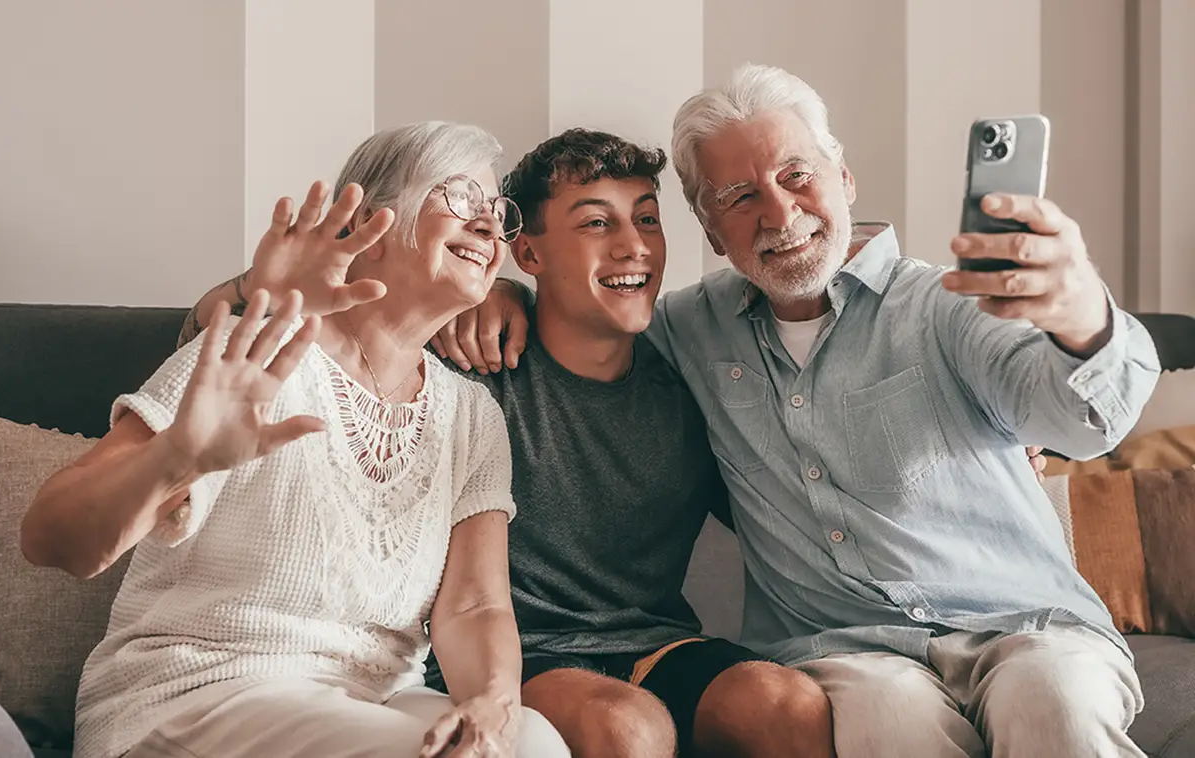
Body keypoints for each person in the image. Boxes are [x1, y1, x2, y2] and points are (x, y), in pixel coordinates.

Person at [447, 65, 1162, 758]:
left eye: (796, 176)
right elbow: (588, 320)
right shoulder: (688, 332)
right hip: (855, 654)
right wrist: (494, 294)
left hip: (1026, 627)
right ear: (710, 228)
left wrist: (1082, 316)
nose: (780, 213)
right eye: (740, 195)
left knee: (1053, 703)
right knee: (885, 720)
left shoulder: (948, 305)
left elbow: (1084, 421)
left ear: (842, 178)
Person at [181, 128, 836, 758]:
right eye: (596, 223)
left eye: (646, 219)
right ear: (528, 253)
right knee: (624, 729)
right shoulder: (466, 365)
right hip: (506, 658)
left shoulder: (692, 383)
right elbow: (215, 331)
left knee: (785, 707)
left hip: (653, 641)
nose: (634, 246)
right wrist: (483, 291)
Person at [20, 122, 570, 758]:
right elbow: (50, 539)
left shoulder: (472, 415)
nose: (486, 227)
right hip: (200, 692)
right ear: (370, 220)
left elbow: (475, 606)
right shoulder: (256, 354)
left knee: (532, 743)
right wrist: (174, 460)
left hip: (372, 702)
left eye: (496, 212)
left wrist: (493, 702)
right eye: (459, 198)